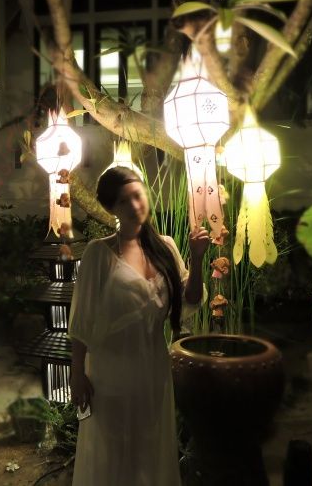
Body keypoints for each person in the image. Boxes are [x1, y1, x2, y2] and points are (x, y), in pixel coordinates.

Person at [68, 166, 210, 486]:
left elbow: (189, 300)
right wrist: (77, 373)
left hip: (153, 367)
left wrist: (198, 258)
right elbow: (81, 320)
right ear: (111, 208)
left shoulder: (166, 247)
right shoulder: (99, 253)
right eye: (123, 201)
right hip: (110, 371)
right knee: (113, 451)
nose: (134, 205)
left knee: (150, 446)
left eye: (137, 195)